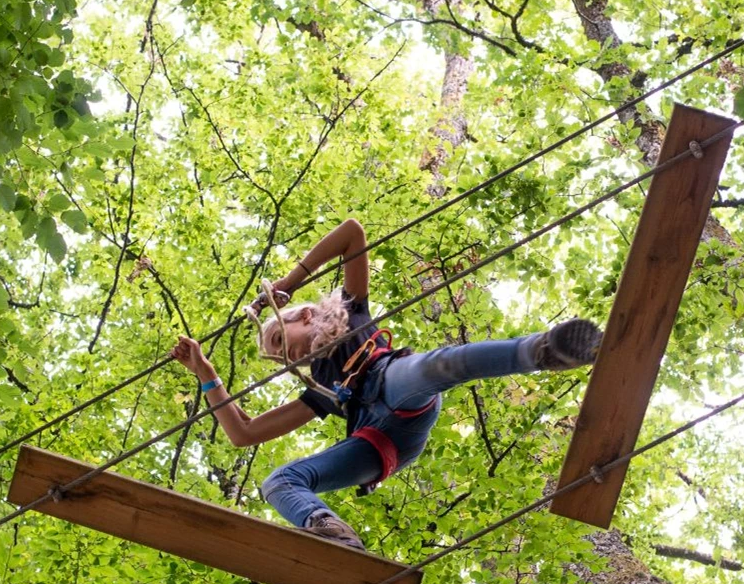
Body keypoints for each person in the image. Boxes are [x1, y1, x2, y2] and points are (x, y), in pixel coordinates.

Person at [172, 219, 602, 551]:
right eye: (278, 355)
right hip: (378, 441)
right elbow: (243, 433)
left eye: (281, 341)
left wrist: (286, 284)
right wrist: (208, 376)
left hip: (396, 384)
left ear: (303, 316)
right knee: (277, 482)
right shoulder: (318, 390)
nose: (286, 357)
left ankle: (543, 351)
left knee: (437, 367)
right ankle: (327, 528)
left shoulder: (352, 311)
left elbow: (352, 234)